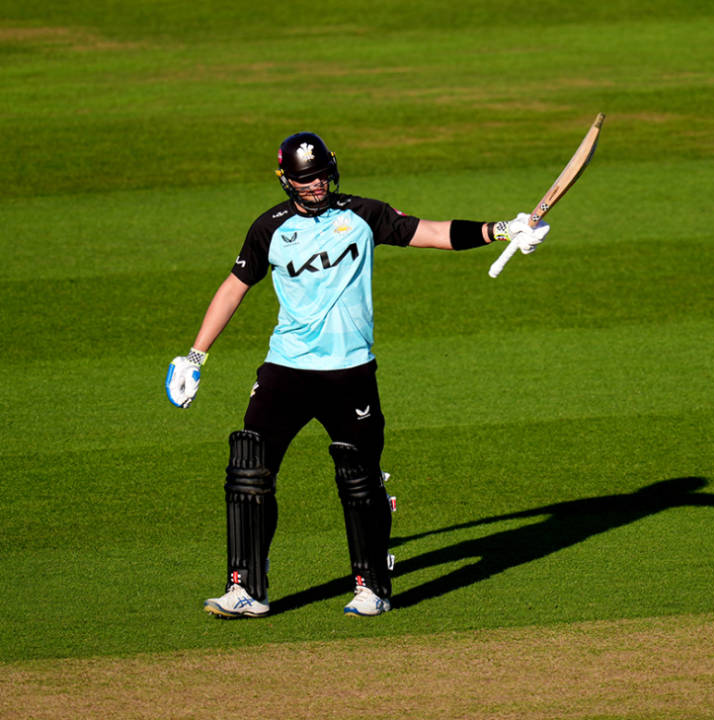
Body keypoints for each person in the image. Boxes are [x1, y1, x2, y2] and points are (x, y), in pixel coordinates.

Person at [165, 131, 549, 618]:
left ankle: (372, 587)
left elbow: (431, 233)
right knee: (248, 470)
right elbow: (234, 287)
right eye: (306, 180)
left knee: (360, 479)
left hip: (349, 374)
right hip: (286, 369)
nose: (317, 186)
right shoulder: (269, 228)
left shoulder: (363, 214)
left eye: (322, 176)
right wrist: (195, 357)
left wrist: (501, 229)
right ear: (286, 181)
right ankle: (246, 588)